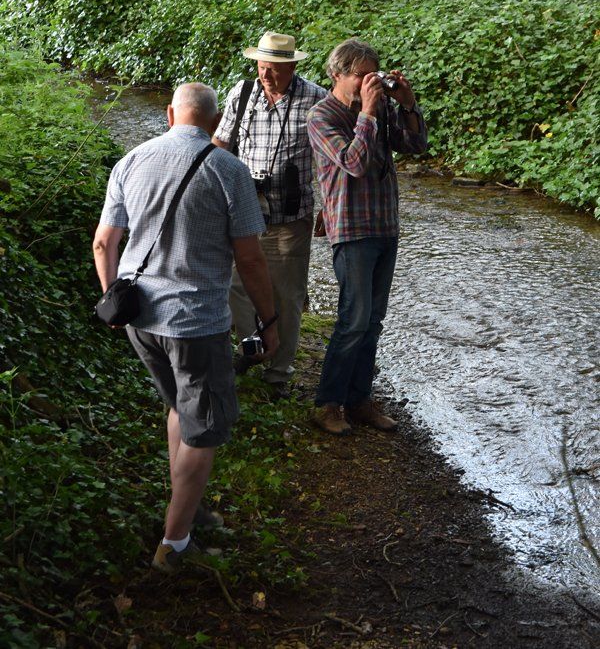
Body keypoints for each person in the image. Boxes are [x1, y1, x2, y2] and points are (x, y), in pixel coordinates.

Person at [93, 83, 278, 572]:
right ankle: (174, 547)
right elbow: (252, 259)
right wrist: (269, 319)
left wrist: (113, 296)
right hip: (195, 323)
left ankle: (188, 507)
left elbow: (103, 242)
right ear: (214, 122)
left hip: (141, 318)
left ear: (170, 113)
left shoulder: (130, 160)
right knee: (205, 431)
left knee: (179, 404)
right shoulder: (228, 170)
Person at [306, 38, 428, 436]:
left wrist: (407, 105)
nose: (368, 82)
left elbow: (416, 145)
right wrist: (371, 112)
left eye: (372, 74)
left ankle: (359, 400)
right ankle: (328, 403)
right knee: (353, 320)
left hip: (384, 225)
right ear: (337, 74)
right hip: (351, 229)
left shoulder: (381, 110)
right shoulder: (322, 116)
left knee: (373, 321)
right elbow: (354, 163)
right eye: (361, 75)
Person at [213, 32, 326, 397]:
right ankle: (253, 348)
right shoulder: (241, 93)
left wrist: (329, 206)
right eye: (262, 67)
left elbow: (330, 160)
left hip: (291, 217)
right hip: (243, 213)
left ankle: (278, 373)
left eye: (274, 69)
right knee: (235, 287)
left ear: (292, 66)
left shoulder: (317, 99)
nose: (266, 75)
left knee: (287, 296)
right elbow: (219, 145)